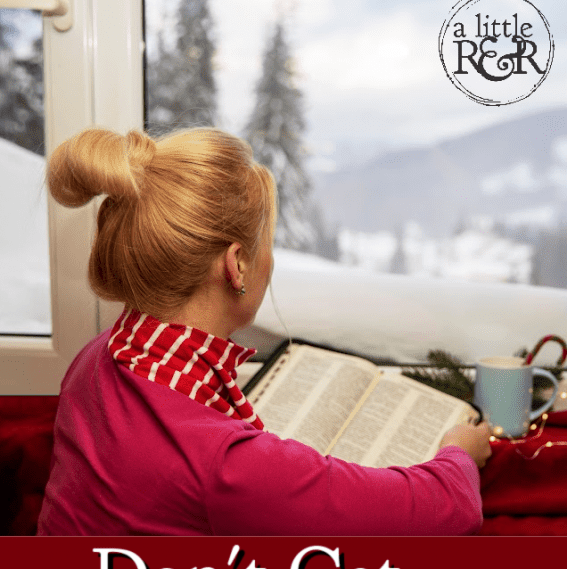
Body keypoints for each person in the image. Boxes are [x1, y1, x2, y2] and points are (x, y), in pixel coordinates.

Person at [37, 127, 491, 536]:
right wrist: (460, 454)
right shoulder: (227, 467)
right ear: (236, 265)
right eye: (265, 243)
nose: (269, 261)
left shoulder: (99, 355)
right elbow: (446, 510)